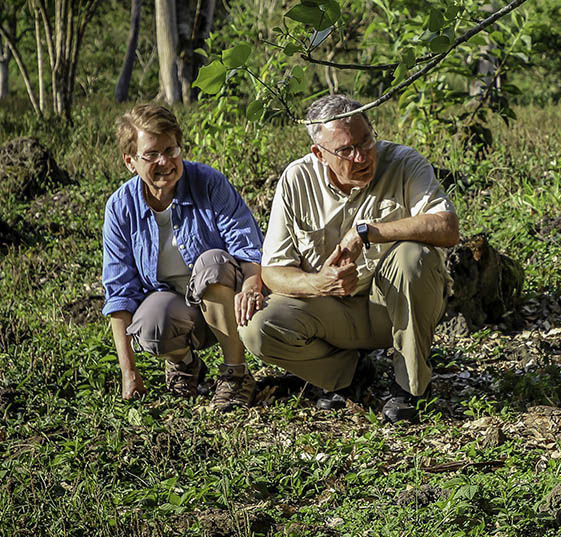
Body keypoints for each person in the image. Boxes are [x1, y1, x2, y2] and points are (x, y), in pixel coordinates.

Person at [240, 94, 459, 423]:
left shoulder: (403, 162)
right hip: (333, 310)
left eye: (366, 140)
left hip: (395, 306)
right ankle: (348, 375)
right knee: (258, 326)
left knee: (412, 255)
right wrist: (318, 282)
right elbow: (273, 270)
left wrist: (366, 232)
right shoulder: (297, 179)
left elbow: (447, 227)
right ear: (319, 153)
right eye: (345, 150)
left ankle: (411, 386)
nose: (362, 156)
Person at [102, 104, 265, 410]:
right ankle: (185, 364)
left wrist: (254, 285)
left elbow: (246, 246)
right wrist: (129, 371)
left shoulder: (208, 181)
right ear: (130, 161)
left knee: (210, 263)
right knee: (150, 321)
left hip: (227, 301)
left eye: (171, 150)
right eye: (151, 154)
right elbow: (119, 292)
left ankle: (236, 373)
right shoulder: (120, 208)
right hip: (178, 308)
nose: (165, 161)